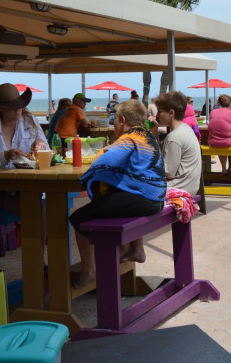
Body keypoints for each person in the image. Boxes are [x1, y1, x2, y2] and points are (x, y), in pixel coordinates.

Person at [69, 99, 166, 288]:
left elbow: (104, 160)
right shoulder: (146, 135)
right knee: (118, 194)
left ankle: (89, 272)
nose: (114, 123)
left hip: (144, 199)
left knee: (78, 218)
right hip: (156, 197)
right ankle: (137, 250)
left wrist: (89, 173)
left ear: (122, 120)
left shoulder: (129, 138)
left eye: (114, 120)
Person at [0, 83, 47, 276]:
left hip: (16, 183)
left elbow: (44, 145)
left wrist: (40, 145)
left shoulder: (29, 122)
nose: (17, 112)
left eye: (19, 106)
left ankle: (39, 263)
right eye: (12, 108)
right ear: (1, 108)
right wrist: (4, 156)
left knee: (39, 210)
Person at [156, 91, 203, 196]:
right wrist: (155, 133)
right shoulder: (185, 129)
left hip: (178, 187)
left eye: (160, 111)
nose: (157, 115)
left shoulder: (175, 137)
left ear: (171, 113)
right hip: (190, 186)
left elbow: (168, 173)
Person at [208, 94, 231, 176]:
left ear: (218, 103)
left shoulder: (212, 112)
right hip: (230, 141)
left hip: (214, 142)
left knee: (222, 140)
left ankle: (224, 169)